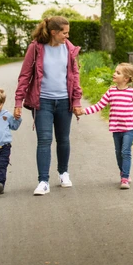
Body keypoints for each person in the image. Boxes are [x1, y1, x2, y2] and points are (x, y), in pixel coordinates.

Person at [14, 16, 83, 196]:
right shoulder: (36, 49)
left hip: (64, 101)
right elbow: (24, 76)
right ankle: (43, 181)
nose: (67, 36)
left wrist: (76, 101)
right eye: (64, 33)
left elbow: (75, 77)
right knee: (44, 140)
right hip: (42, 101)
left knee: (63, 139)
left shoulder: (69, 49)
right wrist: (18, 102)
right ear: (53, 32)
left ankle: (63, 173)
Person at [82, 63, 133, 189]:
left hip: (129, 128)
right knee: (118, 153)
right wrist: (84, 111)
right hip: (116, 128)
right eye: (115, 72)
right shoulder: (111, 91)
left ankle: (125, 178)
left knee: (125, 152)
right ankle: (123, 171)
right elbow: (99, 105)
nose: (114, 74)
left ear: (126, 78)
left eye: (118, 73)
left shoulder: (132, 93)